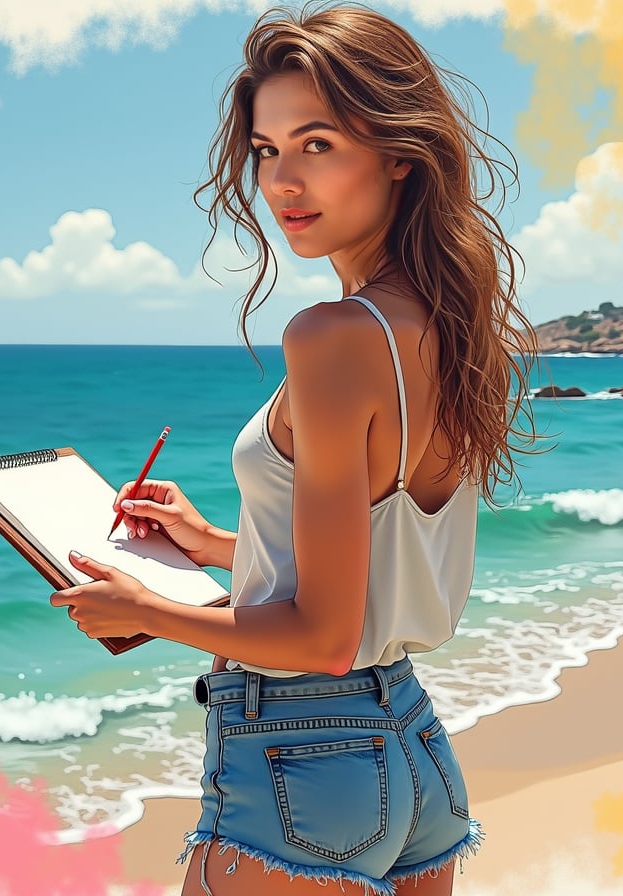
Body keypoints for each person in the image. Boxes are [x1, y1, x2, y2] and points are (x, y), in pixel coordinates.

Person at [50, 3, 536, 894]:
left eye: (317, 143)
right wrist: (218, 549)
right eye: (268, 149)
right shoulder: (452, 331)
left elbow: (320, 636)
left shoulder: (333, 336)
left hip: (300, 765)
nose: (281, 181)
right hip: (412, 754)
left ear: (398, 151)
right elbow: (375, 571)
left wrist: (142, 611)